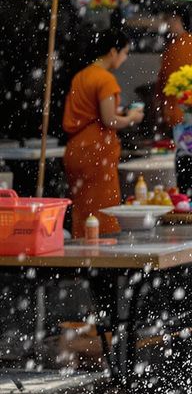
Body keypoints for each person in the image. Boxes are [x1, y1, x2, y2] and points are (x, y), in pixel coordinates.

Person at [63, 28, 144, 238]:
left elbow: (93, 112)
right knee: (102, 208)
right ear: (112, 52)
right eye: (124, 53)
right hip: (95, 152)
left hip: (77, 149)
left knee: (83, 208)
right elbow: (110, 120)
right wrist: (131, 118)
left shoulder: (81, 76)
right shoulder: (105, 79)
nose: (124, 58)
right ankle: (101, 256)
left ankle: (82, 250)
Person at [154, 7, 192, 131]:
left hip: (184, 104)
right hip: (172, 106)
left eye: (169, 20)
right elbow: (164, 75)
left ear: (177, 19)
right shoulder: (173, 45)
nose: (167, 24)